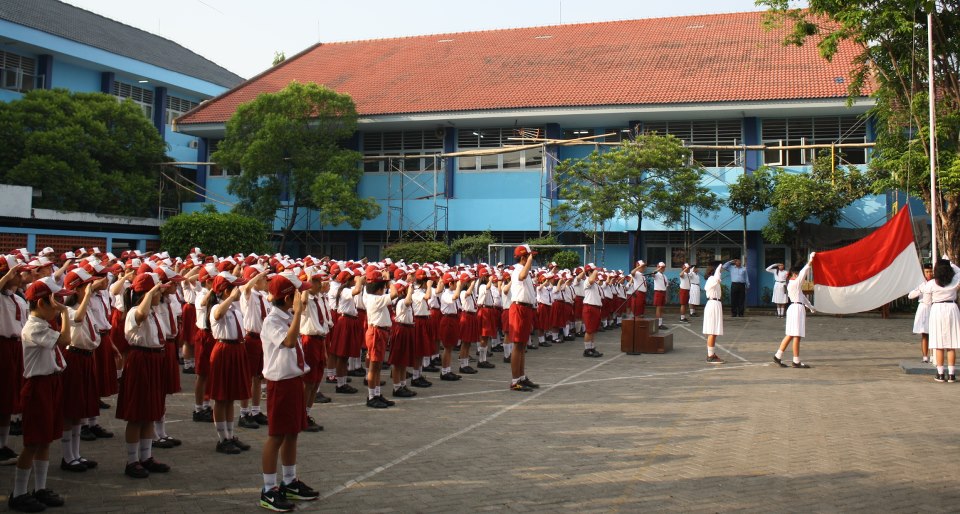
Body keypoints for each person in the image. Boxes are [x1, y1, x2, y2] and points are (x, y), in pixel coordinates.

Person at [258, 271, 320, 512]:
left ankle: (290, 481)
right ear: (286, 298)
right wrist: (298, 314)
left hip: (293, 381)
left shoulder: (285, 315)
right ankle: (268, 488)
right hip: (280, 384)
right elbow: (289, 342)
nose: (301, 297)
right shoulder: (272, 320)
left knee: (293, 432)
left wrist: (296, 313)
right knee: (276, 436)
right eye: (297, 293)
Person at [9, 277, 71, 512]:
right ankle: (19, 492)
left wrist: (60, 313)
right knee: (33, 442)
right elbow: (65, 340)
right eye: (54, 302)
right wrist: (64, 313)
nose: (58, 306)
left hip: (51, 383)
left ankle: (40, 487)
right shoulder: (34, 326)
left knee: (45, 440)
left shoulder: (44, 325)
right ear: (42, 304)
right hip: (38, 386)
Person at [118, 272, 171, 479]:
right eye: (158, 291)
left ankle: (146, 456)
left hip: (154, 359)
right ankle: (132, 461)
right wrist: (150, 293)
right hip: (141, 361)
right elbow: (140, 315)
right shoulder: (135, 311)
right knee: (136, 414)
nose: (161, 295)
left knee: (150, 412)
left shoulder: (155, 310)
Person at [60, 270, 104, 473]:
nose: (90, 288)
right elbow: (76, 320)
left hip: (86, 357)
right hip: (74, 357)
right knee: (71, 409)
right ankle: (67, 457)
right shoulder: (67, 309)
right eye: (84, 286)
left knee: (80, 410)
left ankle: (76, 454)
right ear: (76, 289)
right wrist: (87, 295)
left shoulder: (86, 306)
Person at [206, 271, 252, 455]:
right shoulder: (218, 307)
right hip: (224, 351)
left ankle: (230, 435)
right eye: (236, 288)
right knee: (221, 397)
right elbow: (216, 314)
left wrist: (232, 299)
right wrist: (230, 298)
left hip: (237, 350)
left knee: (231, 397)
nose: (239, 290)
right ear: (227, 291)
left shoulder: (234, 308)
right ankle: (222, 438)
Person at [238, 265, 271, 430]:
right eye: (263, 278)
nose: (266, 281)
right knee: (248, 377)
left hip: (262, 339)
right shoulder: (248, 295)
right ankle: (244, 412)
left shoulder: (264, 296)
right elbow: (245, 287)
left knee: (258, 377)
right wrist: (256, 277)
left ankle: (256, 410)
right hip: (250, 338)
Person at [0, 257, 26, 467]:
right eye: (15, 273)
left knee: (8, 398)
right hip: (2, 347)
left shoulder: (17, 299)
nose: (20, 276)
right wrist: (6, 276)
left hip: (15, 347)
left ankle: (3, 443)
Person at [362, 266, 397, 408]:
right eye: (382, 286)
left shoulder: (370, 296)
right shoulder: (375, 299)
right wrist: (389, 280)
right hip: (376, 332)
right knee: (374, 366)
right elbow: (394, 293)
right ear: (378, 288)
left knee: (377, 366)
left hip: (379, 332)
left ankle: (377, 393)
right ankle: (372, 396)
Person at [920, 258, 960, 382]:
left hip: (937, 309)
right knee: (951, 344)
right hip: (952, 308)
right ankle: (952, 374)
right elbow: (959, 271)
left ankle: (940, 373)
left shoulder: (931, 283)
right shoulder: (955, 280)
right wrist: (950, 263)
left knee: (938, 343)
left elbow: (926, 302)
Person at [773, 254, 816, 369]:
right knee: (796, 335)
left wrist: (811, 306)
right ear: (793, 274)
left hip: (796, 308)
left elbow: (803, 297)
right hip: (796, 309)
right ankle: (796, 361)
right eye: (796, 274)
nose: (798, 276)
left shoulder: (794, 285)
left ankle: (778, 355)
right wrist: (810, 261)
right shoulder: (794, 283)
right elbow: (803, 273)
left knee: (791, 334)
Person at [509, 245, 540, 392]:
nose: (532, 259)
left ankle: (521, 377)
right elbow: (521, 276)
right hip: (519, 308)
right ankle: (515, 381)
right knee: (517, 345)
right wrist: (528, 262)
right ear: (523, 257)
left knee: (522, 345)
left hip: (526, 308)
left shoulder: (525, 271)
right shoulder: (517, 270)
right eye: (529, 256)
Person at [908, 264, 934, 364]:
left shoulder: (936, 282)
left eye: (930, 271)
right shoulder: (920, 283)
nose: (929, 274)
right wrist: (921, 290)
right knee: (924, 333)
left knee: (934, 333)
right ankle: (925, 357)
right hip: (923, 307)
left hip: (933, 306)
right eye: (927, 272)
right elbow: (910, 295)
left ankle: (933, 355)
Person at [578, 265, 604, 358]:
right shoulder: (587, 281)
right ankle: (587, 349)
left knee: (593, 330)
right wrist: (595, 272)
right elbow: (591, 280)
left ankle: (592, 348)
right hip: (590, 307)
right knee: (589, 330)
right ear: (589, 272)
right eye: (594, 271)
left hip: (596, 307)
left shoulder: (595, 283)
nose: (596, 273)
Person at [701, 263, 725, 364]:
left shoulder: (714, 279)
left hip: (716, 304)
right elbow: (717, 279)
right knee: (712, 331)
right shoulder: (712, 279)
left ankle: (711, 353)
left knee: (714, 332)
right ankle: (710, 356)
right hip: (713, 304)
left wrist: (718, 270)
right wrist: (719, 269)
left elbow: (718, 279)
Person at [652, 262, 668, 329]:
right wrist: (658, 269)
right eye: (661, 267)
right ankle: (658, 324)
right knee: (658, 308)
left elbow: (666, 287)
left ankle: (660, 323)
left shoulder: (664, 276)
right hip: (658, 292)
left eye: (663, 267)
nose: (662, 269)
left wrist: (666, 296)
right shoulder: (656, 274)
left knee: (662, 308)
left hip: (663, 293)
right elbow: (652, 274)